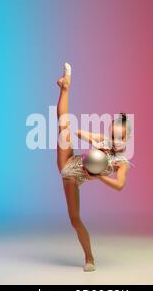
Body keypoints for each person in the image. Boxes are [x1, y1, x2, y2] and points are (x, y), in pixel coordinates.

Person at [56, 62, 131, 272]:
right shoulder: (103, 140)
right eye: (114, 134)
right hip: (68, 162)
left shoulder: (121, 162)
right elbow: (79, 133)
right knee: (64, 125)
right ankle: (65, 87)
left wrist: (99, 177)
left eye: (121, 137)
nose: (115, 139)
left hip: (72, 178)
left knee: (75, 219)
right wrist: (90, 139)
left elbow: (120, 186)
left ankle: (89, 258)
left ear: (128, 137)